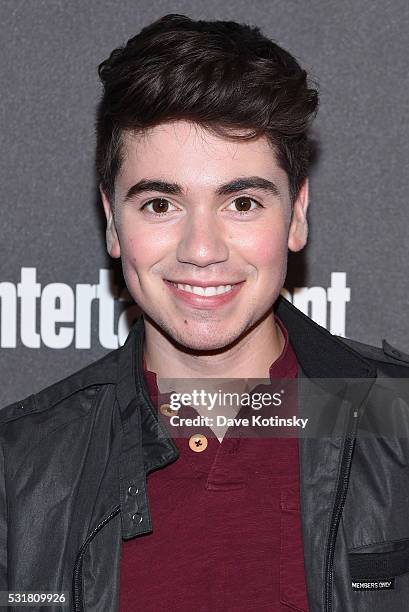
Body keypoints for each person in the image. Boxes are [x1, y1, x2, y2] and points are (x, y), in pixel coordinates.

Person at [1, 13, 409, 612]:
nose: (201, 250)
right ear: (113, 222)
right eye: (161, 203)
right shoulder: (20, 471)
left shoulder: (398, 424)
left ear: (296, 215)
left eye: (241, 201)